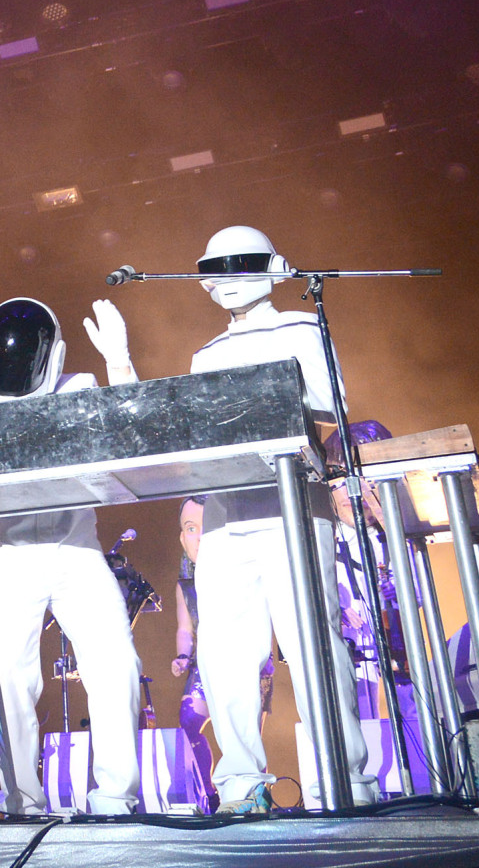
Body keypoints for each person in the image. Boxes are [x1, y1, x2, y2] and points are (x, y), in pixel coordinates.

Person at [184, 225, 377, 812]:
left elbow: (331, 406)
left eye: (239, 265)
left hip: (293, 501)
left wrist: (270, 394)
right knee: (223, 652)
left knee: (312, 641)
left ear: (273, 267)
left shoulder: (302, 327)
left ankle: (341, 783)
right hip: (225, 510)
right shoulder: (206, 354)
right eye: (212, 270)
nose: (226, 281)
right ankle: (241, 787)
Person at [0, 297, 143, 815]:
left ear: (52, 356)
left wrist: (120, 365)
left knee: (115, 663)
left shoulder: (76, 390)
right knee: (10, 680)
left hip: (74, 546)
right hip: (3, 552)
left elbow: (135, 434)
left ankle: (116, 799)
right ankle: (22, 801)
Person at [171, 497, 275, 810]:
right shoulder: (185, 584)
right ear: (182, 537)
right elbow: (184, 627)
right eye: (191, 528)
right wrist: (182, 655)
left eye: (207, 526)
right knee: (189, 722)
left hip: (247, 660)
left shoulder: (243, 566)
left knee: (244, 727)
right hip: (204, 663)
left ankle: (250, 791)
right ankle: (207, 792)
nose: (200, 536)